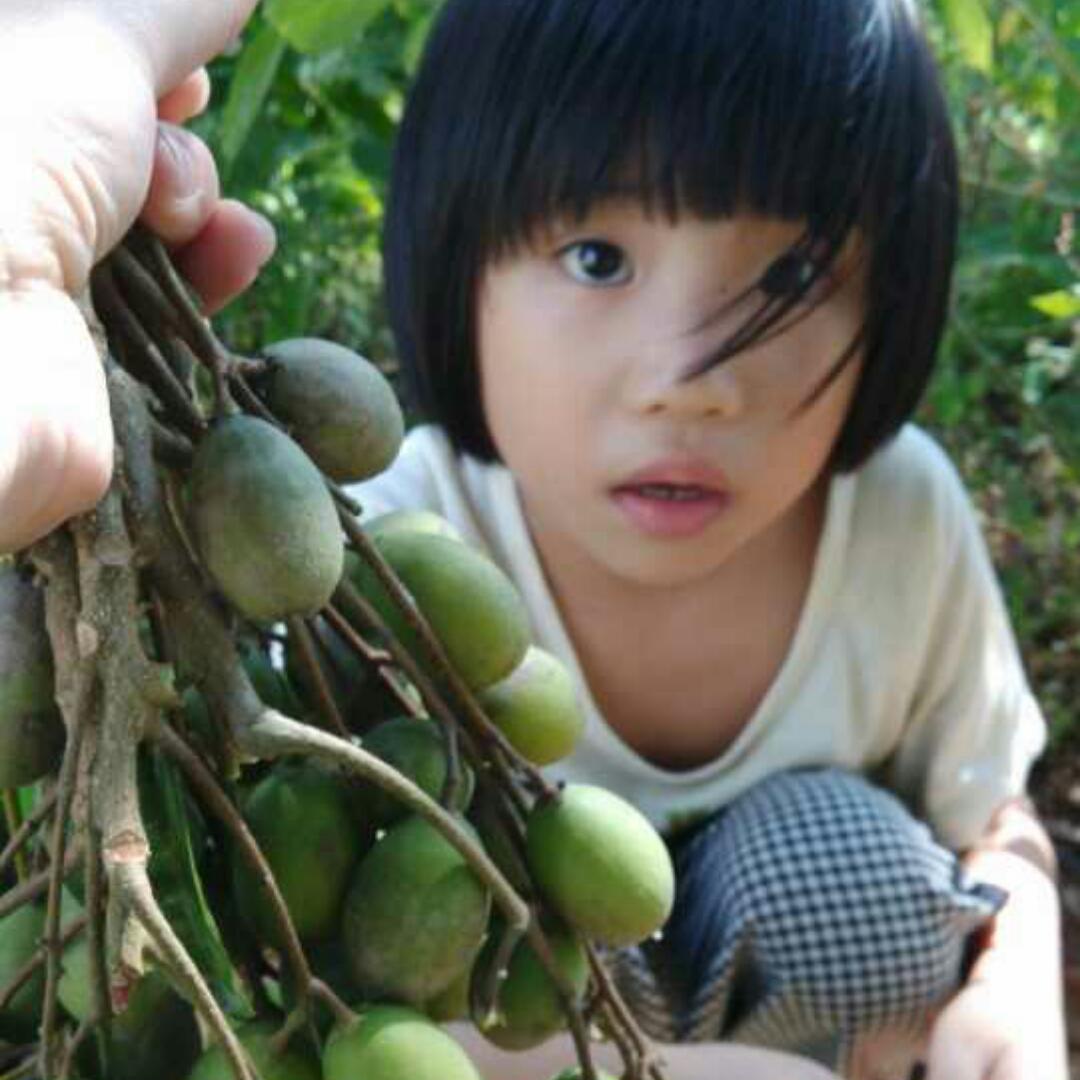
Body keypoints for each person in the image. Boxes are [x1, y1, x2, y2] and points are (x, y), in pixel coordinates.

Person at [0, 3, 1063, 1080]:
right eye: (599, 259)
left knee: (851, 869)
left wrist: (1015, 985)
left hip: (796, 1010)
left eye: (788, 280)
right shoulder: (384, 542)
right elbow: (310, 953)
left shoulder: (898, 523)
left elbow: (995, 819)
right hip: (531, 1032)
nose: (686, 381)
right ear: (456, 273)